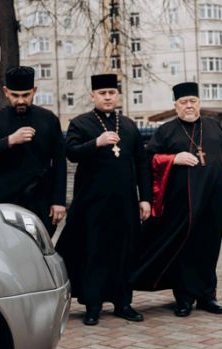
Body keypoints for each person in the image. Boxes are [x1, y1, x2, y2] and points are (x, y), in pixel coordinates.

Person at [131, 82, 222, 317]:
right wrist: (173, 159)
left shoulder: (213, 126)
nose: (189, 106)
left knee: (210, 248)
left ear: (199, 102)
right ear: (175, 105)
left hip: (214, 202)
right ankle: (184, 298)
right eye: (183, 102)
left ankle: (207, 296)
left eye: (193, 101)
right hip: (183, 205)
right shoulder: (166, 130)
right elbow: (150, 160)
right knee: (184, 249)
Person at [56, 74, 152, 326]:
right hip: (92, 203)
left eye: (111, 92)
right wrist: (96, 143)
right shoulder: (80, 123)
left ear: (117, 95)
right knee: (94, 253)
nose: (107, 97)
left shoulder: (129, 125)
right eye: (102, 93)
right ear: (93, 96)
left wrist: (146, 199)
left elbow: (142, 163)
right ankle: (93, 305)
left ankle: (123, 303)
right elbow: (71, 153)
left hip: (125, 202)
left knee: (124, 252)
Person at [0, 66, 66, 235]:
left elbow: (60, 161)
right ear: (6, 91)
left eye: (26, 95)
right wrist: (10, 140)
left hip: (41, 200)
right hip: (5, 198)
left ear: (34, 91)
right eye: (15, 95)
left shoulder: (49, 119)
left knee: (38, 252)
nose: (21, 100)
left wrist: (58, 200)